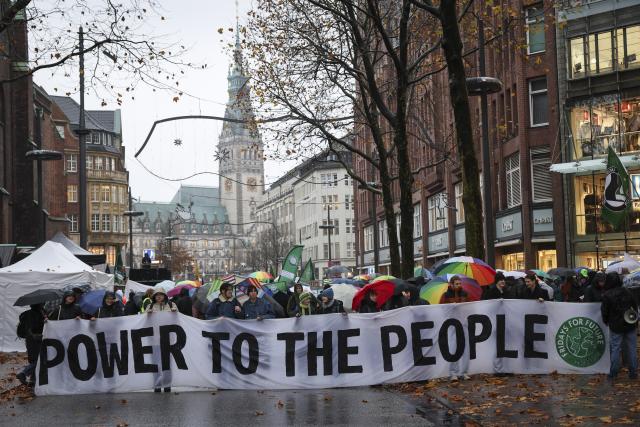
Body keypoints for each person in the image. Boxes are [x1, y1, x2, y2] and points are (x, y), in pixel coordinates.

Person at [601, 272, 638, 380]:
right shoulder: (627, 291)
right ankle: (633, 372)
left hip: (615, 325)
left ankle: (613, 372)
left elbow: (605, 311)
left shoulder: (607, 295)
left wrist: (606, 321)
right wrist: (635, 321)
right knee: (631, 348)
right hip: (630, 323)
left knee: (615, 348)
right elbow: (634, 307)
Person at [440, 275, 470, 381]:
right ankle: (453, 372)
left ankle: (464, 372)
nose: (459, 285)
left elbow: (469, 308)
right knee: (453, 348)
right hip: (452, 324)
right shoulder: (445, 295)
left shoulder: (465, 294)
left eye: (460, 283)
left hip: (463, 323)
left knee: (465, 348)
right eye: (457, 284)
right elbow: (441, 309)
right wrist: (450, 307)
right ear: (451, 284)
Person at [16, 304, 46, 386]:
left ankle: (33, 381)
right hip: (36, 339)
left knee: (33, 359)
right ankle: (23, 373)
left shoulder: (26, 313)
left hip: (29, 339)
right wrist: (44, 320)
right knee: (40, 359)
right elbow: (35, 327)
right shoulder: (37, 314)